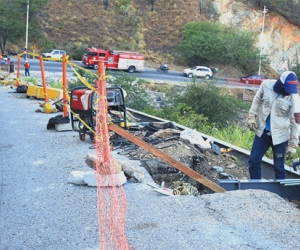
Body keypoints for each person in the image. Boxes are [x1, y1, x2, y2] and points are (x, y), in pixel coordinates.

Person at [247, 71, 300, 179]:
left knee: (279, 167)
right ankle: (256, 190)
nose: (288, 93)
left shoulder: (294, 99)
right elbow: (257, 100)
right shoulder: (266, 85)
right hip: (262, 132)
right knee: (253, 161)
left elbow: (296, 122)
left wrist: (293, 144)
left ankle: (281, 194)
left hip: (280, 136)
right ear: (281, 84)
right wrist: (251, 116)